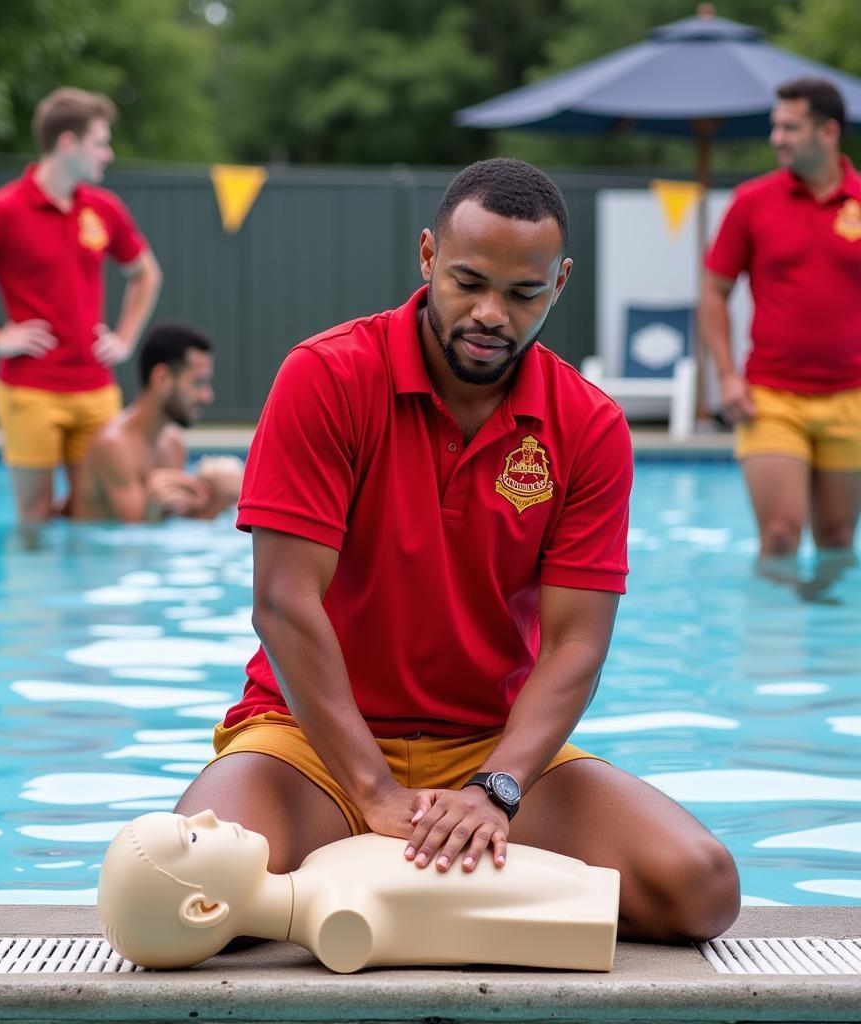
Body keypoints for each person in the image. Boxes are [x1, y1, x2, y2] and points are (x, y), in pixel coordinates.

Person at [176, 158, 740, 945]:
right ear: (427, 256)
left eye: (523, 294)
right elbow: (283, 600)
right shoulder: (327, 377)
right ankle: (389, 871)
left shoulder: (589, 426)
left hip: (487, 744)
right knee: (188, 890)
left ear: (561, 282)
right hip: (308, 742)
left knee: (700, 890)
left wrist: (496, 789)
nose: (491, 315)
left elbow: (578, 640)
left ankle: (372, 887)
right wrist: (371, 789)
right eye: (468, 281)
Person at [0, 86, 162, 525]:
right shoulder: (3, 209)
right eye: (100, 143)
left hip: (96, 389)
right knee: (34, 519)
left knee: (96, 514)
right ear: (67, 143)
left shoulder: (104, 209)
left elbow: (146, 274)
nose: (107, 154)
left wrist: (125, 339)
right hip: (29, 391)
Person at [98, 810, 620, 972]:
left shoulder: (320, 866)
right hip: (574, 902)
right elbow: (472, 924)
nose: (209, 816)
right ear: (206, 908)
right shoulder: (339, 924)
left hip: (575, 884)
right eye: (190, 835)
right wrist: (583, 910)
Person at [701, 78, 861, 565]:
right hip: (771, 396)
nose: (777, 138)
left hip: (852, 396)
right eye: (776, 126)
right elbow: (713, 292)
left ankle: (829, 642)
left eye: (790, 127)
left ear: (828, 131)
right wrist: (727, 376)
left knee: (836, 541)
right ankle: (773, 642)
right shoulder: (752, 202)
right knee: (779, 537)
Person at [73, 322, 244, 522]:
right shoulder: (113, 445)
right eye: (198, 383)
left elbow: (172, 524)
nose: (207, 396)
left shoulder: (172, 443)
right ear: (162, 378)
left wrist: (217, 499)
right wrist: (153, 506)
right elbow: (135, 539)